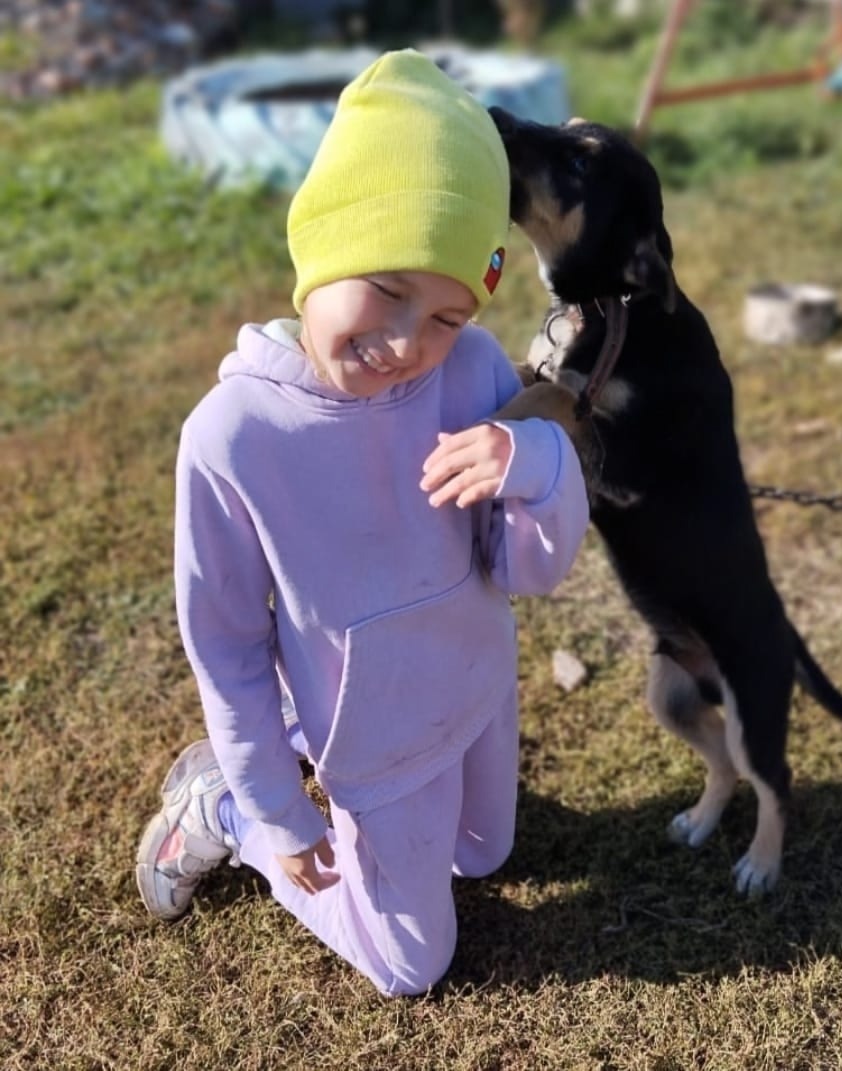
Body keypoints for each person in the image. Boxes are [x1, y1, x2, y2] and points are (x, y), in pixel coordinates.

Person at [135, 48, 589, 997]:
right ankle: (224, 809)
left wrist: (538, 464)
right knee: (412, 964)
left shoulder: (472, 372)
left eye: (448, 314)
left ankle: (309, 737)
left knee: (485, 853)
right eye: (387, 290)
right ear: (323, 245)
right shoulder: (234, 436)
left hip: (472, 687)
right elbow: (225, 642)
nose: (407, 344)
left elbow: (528, 569)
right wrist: (275, 809)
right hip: (376, 743)